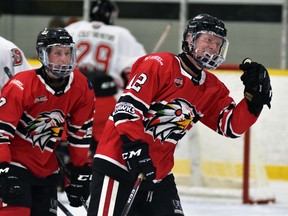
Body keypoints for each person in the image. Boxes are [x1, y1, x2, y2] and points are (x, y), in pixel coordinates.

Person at [87, 14, 272, 216]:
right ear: (189, 39)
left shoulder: (212, 88)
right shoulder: (158, 64)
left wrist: (254, 101)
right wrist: (136, 151)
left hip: (158, 174)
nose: (213, 47)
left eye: (218, 44)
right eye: (208, 40)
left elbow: (231, 126)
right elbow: (127, 111)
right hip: (118, 164)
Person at [0, 27, 95, 216]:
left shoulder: (82, 86)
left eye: (68, 53)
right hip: (15, 167)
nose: (64, 59)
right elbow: (1, 132)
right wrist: (2, 168)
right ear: (44, 54)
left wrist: (79, 171)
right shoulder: (21, 85)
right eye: (58, 53)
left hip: (47, 169)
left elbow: (80, 133)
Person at [65, 0, 146, 156]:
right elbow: (135, 70)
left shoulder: (74, 28)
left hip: (72, 93)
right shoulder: (121, 33)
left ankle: (68, 178)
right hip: (104, 97)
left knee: (68, 142)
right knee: (104, 147)